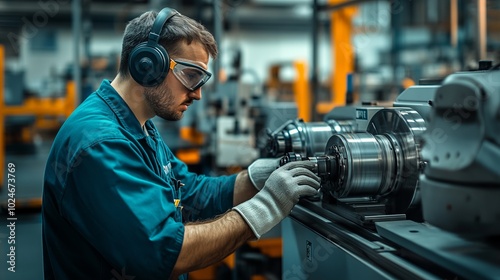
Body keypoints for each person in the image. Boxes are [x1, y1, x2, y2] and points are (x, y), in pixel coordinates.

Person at [42, 7, 320, 280]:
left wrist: (257, 177)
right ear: (147, 64)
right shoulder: (101, 144)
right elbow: (165, 253)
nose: (198, 94)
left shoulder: (139, 126)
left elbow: (191, 193)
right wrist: (267, 205)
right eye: (191, 76)